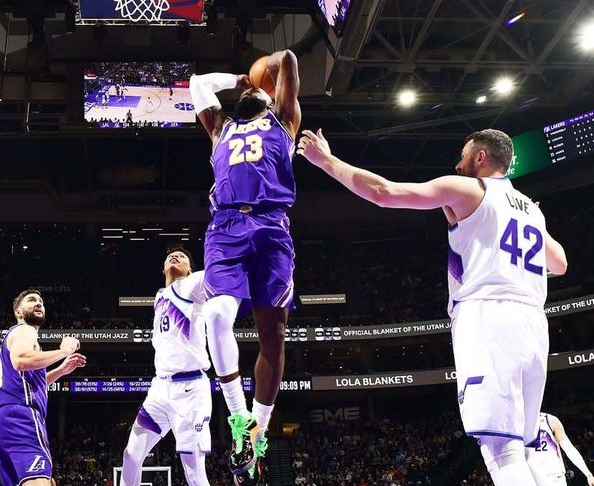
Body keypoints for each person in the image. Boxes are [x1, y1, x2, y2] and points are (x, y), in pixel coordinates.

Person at [297, 128, 568, 486]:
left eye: (464, 155)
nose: (458, 164)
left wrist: (326, 161)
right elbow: (560, 263)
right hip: (533, 323)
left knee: (502, 451)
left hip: (488, 317)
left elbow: (384, 193)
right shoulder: (531, 210)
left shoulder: (471, 189)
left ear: (481, 157)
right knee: (526, 443)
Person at [188, 49, 301, 482]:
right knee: (216, 316)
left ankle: (260, 431)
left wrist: (271, 62)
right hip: (226, 228)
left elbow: (289, 59)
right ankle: (240, 422)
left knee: (273, 333)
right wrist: (238, 79)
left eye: (258, 90)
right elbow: (198, 83)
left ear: (270, 97)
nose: (250, 93)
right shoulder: (221, 128)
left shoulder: (284, 120)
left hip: (271, 226)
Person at [121, 249, 212, 486]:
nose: (175, 256)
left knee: (194, 472)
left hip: (190, 389)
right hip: (160, 389)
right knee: (131, 455)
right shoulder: (160, 296)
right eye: (171, 255)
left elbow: (218, 271)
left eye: (182, 257)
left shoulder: (193, 284)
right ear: (162, 269)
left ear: (190, 270)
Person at [0, 290, 86, 486]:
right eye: (31, 300)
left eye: (41, 301)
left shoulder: (8, 344)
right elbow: (21, 361)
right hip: (20, 417)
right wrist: (64, 350)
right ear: (18, 312)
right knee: (40, 481)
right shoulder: (25, 331)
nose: (38, 303)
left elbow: (28, 384)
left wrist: (61, 370)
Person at [526, 412, 594, 486]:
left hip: (553, 475)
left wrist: (588, 474)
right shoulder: (518, 424)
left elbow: (569, 449)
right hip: (530, 477)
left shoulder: (550, 420)